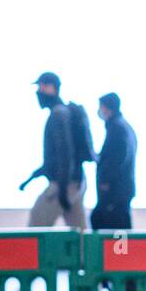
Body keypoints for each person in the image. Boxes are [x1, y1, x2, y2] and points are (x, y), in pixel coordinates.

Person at [18, 72, 89, 228]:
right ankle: (87, 253)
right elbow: (55, 159)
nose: (39, 92)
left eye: (41, 87)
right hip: (74, 182)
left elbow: (65, 154)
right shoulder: (63, 113)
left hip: (64, 184)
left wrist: (62, 189)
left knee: (36, 226)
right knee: (80, 233)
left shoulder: (59, 115)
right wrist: (30, 179)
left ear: (51, 88)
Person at [90, 93, 137, 232]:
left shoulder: (117, 128)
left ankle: (119, 255)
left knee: (118, 237)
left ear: (106, 108)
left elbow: (117, 159)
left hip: (115, 193)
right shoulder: (122, 126)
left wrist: (106, 180)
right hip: (120, 191)